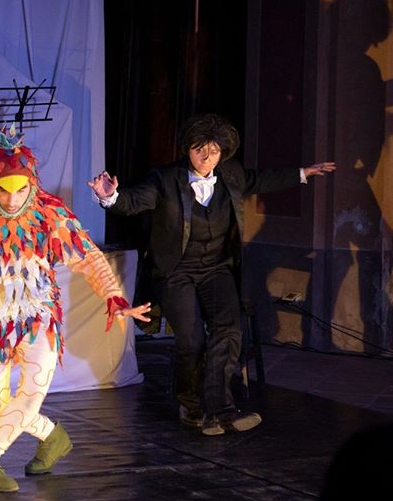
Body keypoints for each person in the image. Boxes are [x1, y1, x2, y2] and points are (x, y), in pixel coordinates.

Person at [0, 126, 151, 493]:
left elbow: (88, 256)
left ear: (32, 184)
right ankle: (53, 436)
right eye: (3, 190)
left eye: (20, 190)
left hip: (38, 318)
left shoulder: (50, 213)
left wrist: (114, 297)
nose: (12, 201)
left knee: (30, 393)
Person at [87, 114, 335, 436]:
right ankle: (191, 405)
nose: (206, 158)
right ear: (188, 149)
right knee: (192, 340)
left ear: (223, 153)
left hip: (216, 269)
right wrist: (109, 196)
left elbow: (259, 180)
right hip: (176, 272)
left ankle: (221, 409)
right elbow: (133, 201)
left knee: (229, 331)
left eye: (214, 152)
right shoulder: (165, 179)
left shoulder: (230, 174)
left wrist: (302, 173)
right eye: (199, 150)